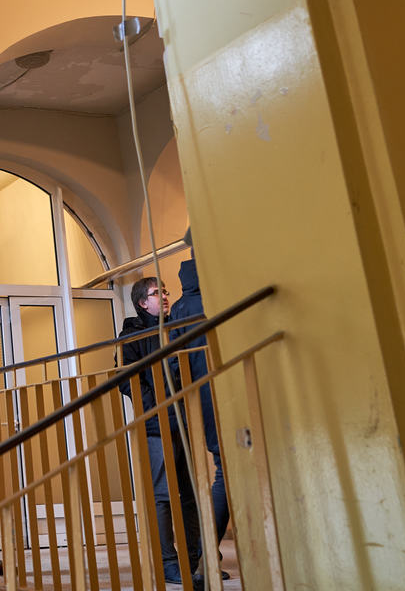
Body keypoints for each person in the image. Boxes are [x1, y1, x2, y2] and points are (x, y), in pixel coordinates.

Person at [119, 274, 203, 586]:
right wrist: (157, 407)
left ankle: (194, 562)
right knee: (163, 496)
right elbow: (127, 381)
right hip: (156, 425)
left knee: (190, 494)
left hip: (183, 420)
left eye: (165, 291)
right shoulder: (132, 336)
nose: (165, 296)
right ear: (143, 303)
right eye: (157, 293)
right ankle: (168, 563)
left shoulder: (174, 327)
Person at [168, 230, 230, 577]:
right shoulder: (218, 295)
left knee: (225, 472)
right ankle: (207, 558)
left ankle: (207, 558)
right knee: (231, 474)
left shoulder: (180, 307)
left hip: (205, 401)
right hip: (228, 391)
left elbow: (175, 364)